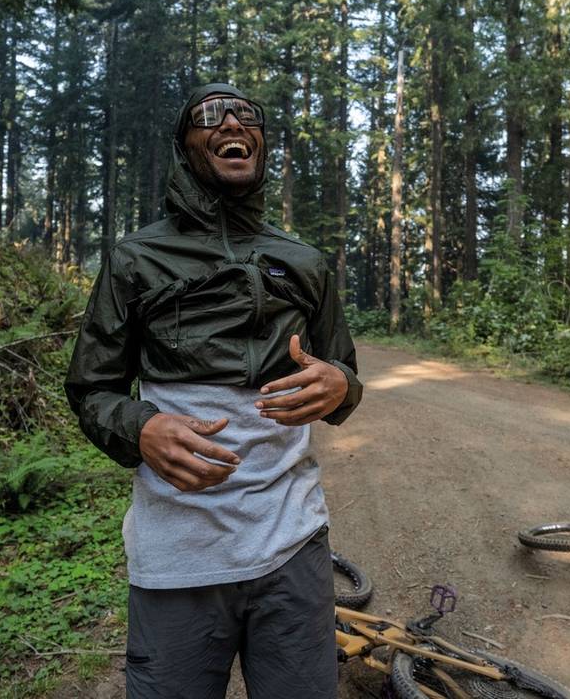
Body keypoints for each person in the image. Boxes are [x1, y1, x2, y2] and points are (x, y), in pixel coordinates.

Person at [64, 83, 362, 699]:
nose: (234, 121)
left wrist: (339, 385)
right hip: (178, 553)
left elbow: (345, 377)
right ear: (186, 146)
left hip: (293, 543)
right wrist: (140, 427)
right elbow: (92, 387)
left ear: (259, 142)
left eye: (247, 114)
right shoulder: (136, 259)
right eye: (212, 114)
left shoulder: (303, 261)